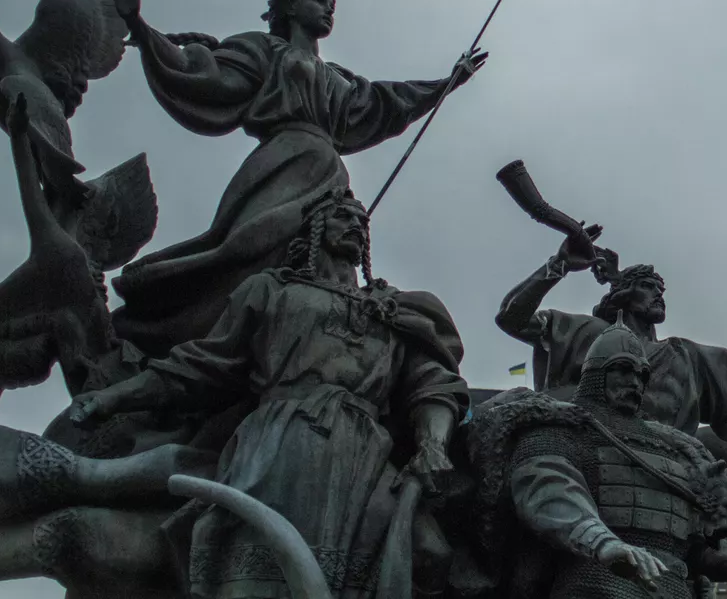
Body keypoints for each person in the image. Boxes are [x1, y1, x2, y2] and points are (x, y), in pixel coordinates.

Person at [67, 189, 469, 599]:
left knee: (428, 552)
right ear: (314, 228)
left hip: (366, 451)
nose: (355, 226)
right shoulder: (272, 291)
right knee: (261, 570)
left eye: (361, 221)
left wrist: (433, 443)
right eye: (342, 217)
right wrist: (114, 397)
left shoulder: (395, 310)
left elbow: (433, 383)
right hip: (281, 441)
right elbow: (203, 363)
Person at [105, 0, 488, 353]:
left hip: (330, 174)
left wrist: (445, 83)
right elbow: (205, 75)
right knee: (245, 249)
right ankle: (179, 329)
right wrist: (140, 28)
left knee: (324, 263)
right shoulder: (264, 50)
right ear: (290, 5)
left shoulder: (338, 77)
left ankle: (305, 345)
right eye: (319, 0)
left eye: (331, 5)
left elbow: (387, 103)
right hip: (281, 160)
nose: (328, 10)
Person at [465, 327, 727, 599]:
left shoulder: (673, 448)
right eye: (623, 370)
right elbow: (547, 489)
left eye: (642, 374)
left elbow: (692, 548)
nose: (635, 382)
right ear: (595, 374)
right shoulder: (562, 427)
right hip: (597, 583)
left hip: (671, 589)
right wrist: (604, 543)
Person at [495, 231, 727, 454]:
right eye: (650, 287)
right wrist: (558, 265)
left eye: (661, 290)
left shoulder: (684, 355)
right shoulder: (589, 334)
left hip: (665, 459)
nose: (659, 295)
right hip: (593, 452)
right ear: (624, 294)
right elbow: (511, 317)